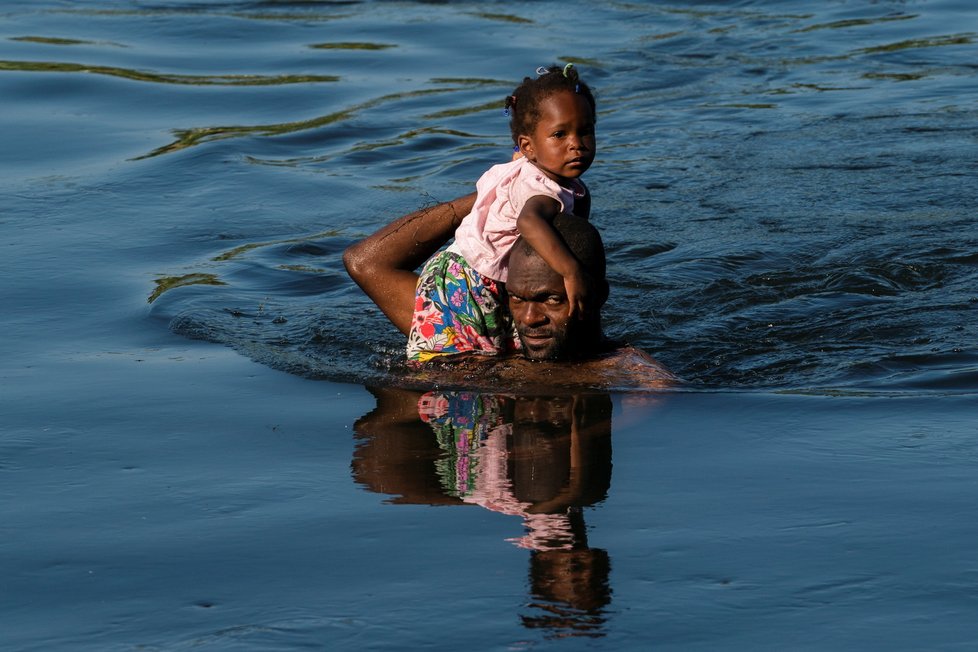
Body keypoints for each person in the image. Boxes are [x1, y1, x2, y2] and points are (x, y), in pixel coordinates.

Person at [344, 195, 676, 390]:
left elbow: (656, 397)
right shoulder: (474, 336)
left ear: (597, 297)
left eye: (551, 299)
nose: (529, 319)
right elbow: (364, 262)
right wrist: (494, 198)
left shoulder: (631, 372)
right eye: (517, 298)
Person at [406, 64, 598, 363]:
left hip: (469, 269)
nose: (576, 144)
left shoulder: (545, 174)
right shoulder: (542, 190)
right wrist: (571, 271)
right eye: (559, 134)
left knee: (500, 353)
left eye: (584, 131)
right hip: (467, 279)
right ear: (527, 146)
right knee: (462, 362)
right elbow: (529, 221)